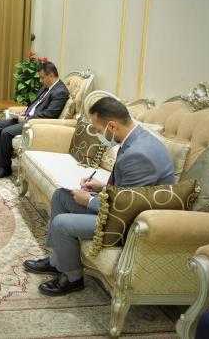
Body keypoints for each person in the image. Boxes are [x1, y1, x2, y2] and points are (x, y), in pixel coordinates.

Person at [23, 97, 175, 296]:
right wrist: (102, 186)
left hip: (131, 224)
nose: (97, 135)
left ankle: (73, 279)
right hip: (124, 207)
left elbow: (128, 207)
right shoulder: (135, 139)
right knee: (61, 195)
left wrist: (89, 201)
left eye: (98, 130)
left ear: (112, 126)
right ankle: (57, 262)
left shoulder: (139, 154)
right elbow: (129, 191)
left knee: (61, 223)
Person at [0, 61, 69, 179]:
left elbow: (50, 115)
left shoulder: (60, 91)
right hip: (26, 118)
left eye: (42, 77)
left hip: (34, 123)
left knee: (6, 132)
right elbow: (35, 104)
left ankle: (5, 168)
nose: (40, 80)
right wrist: (24, 112)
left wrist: (28, 118)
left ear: (51, 75)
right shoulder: (47, 87)